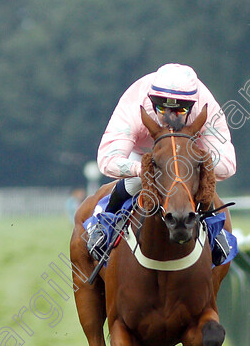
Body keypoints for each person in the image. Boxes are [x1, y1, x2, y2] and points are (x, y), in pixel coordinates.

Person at [86, 63, 237, 260]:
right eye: (161, 108)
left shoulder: (205, 106)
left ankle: (215, 232)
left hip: (188, 158)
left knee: (199, 183)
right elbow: (107, 159)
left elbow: (227, 165)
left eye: (181, 110)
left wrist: (194, 165)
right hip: (145, 155)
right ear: (151, 101)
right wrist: (147, 168)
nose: (170, 117)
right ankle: (103, 224)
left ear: (192, 105)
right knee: (135, 182)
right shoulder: (134, 104)